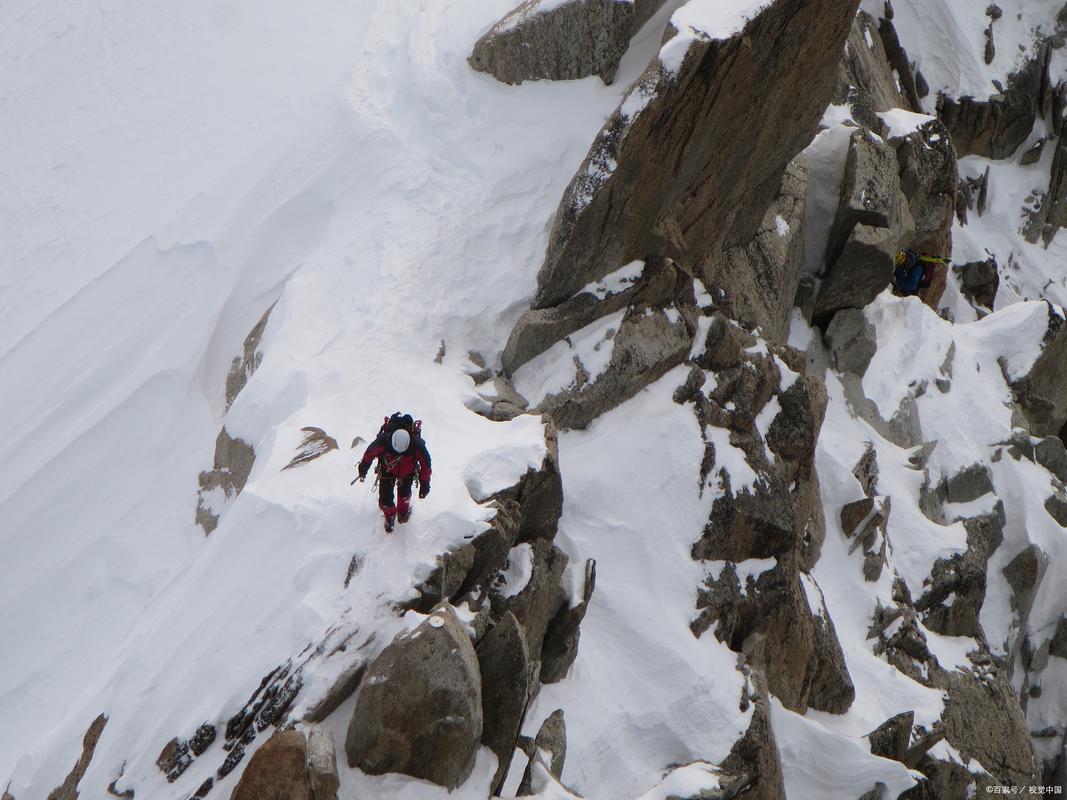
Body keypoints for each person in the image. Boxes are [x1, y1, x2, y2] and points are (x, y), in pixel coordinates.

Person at [356, 413, 431, 532]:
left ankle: (402, 513)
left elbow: (426, 466)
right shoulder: (384, 440)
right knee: (385, 499)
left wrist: (425, 484)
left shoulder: (417, 445)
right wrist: (363, 467)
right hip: (389, 470)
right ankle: (391, 515)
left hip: (403, 472)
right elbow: (369, 455)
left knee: (404, 495)